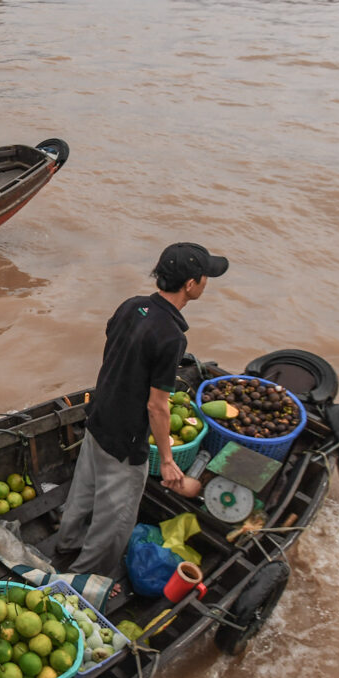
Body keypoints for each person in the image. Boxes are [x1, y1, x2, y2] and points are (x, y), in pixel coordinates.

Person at [51, 243, 228, 579]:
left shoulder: (132, 306)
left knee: (83, 492)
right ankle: (84, 582)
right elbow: (158, 407)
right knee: (115, 521)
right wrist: (166, 460)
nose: (207, 282)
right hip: (126, 440)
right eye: (205, 277)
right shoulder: (172, 337)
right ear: (190, 284)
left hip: (99, 417)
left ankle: (66, 544)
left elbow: (116, 350)